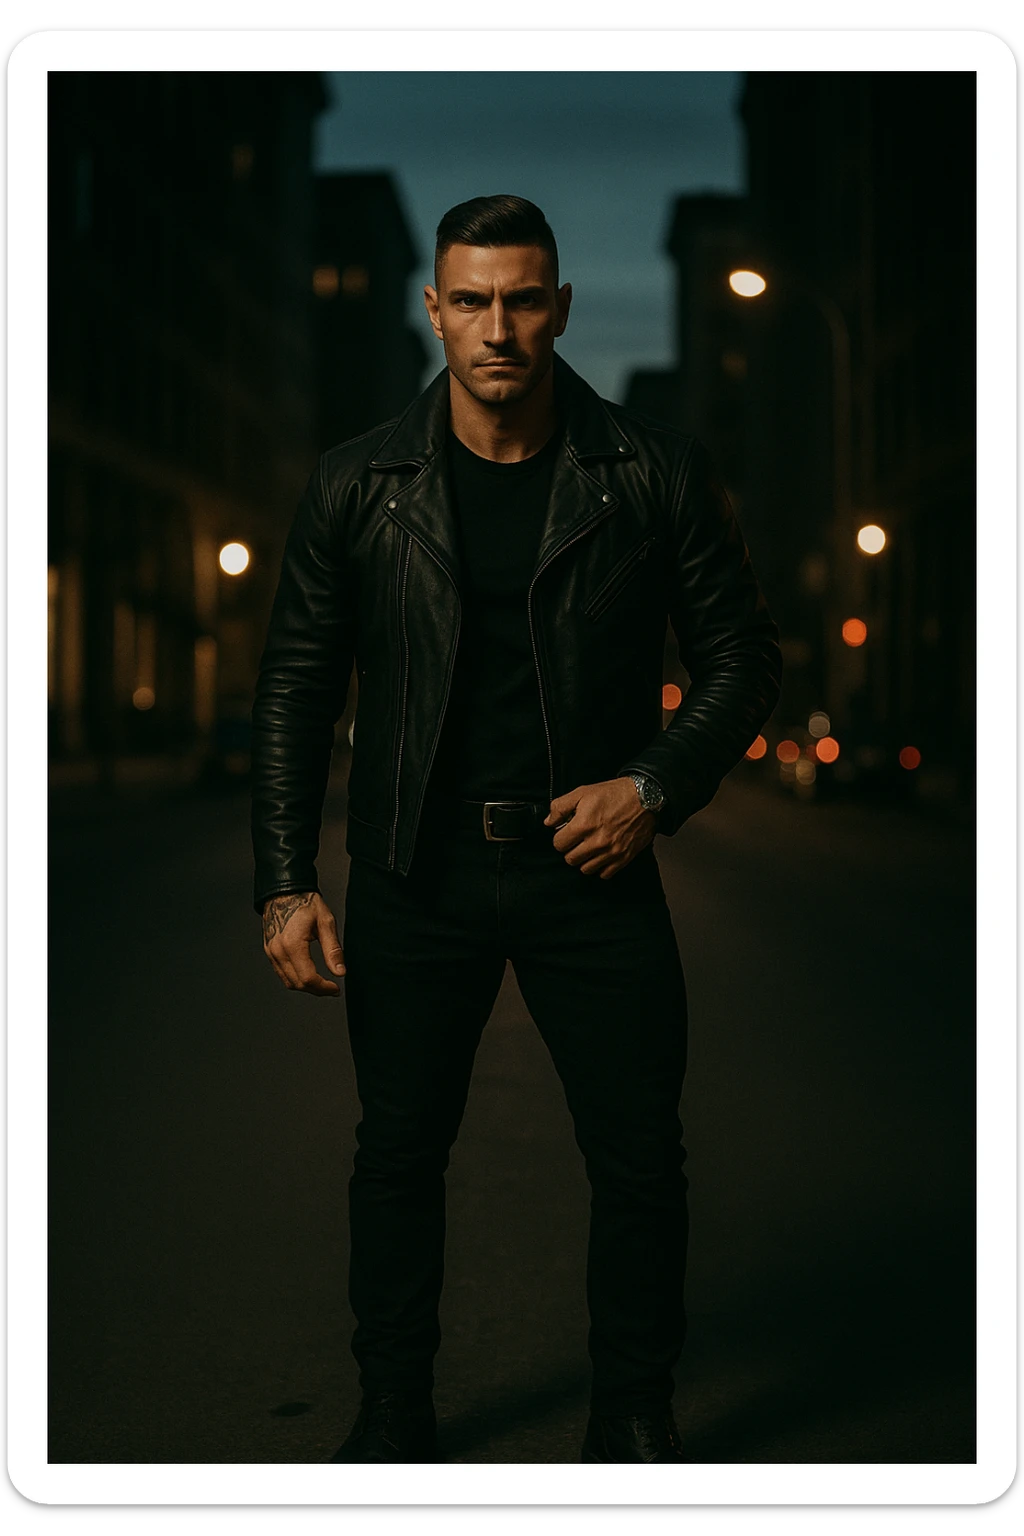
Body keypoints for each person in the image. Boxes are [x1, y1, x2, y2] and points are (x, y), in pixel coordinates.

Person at [251, 195, 782, 1465]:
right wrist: (284, 879)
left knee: (639, 1158)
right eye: (474, 301)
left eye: (524, 300)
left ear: (560, 310)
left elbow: (741, 658)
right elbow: (295, 687)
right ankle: (393, 1413)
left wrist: (649, 788)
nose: (499, 328)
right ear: (434, 309)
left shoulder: (649, 469)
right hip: (415, 867)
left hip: (587, 869)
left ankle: (633, 1416)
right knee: (396, 1155)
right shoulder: (357, 482)